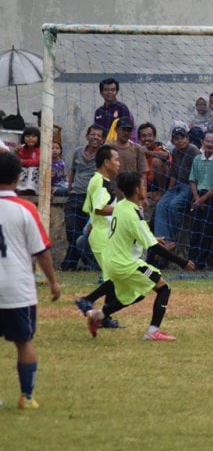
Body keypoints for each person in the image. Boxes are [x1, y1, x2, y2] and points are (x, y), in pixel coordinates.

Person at [82, 171, 195, 340]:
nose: (145, 188)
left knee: (137, 293)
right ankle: (153, 332)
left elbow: (133, 233)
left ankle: (97, 316)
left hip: (113, 262)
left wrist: (152, 236)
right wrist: (182, 262)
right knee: (164, 288)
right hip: (126, 264)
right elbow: (154, 248)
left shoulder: (121, 206)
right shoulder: (133, 214)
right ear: (136, 189)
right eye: (143, 185)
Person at [0, 151, 61, 409]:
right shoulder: (26, 209)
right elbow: (41, 251)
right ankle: (26, 396)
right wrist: (53, 282)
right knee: (24, 341)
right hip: (17, 288)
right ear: (19, 176)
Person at [74, 145, 123, 328]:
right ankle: (87, 301)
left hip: (105, 232)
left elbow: (90, 208)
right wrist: (124, 208)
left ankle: (104, 317)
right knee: (115, 277)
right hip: (102, 235)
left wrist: (92, 223)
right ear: (106, 162)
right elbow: (99, 208)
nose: (119, 163)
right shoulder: (100, 182)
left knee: (113, 277)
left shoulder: (101, 181)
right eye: (116, 159)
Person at [62, 124, 104, 271]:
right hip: (75, 195)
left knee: (86, 233)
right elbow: (73, 171)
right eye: (93, 134)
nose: (95, 138)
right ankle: (73, 264)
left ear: (103, 140)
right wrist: (70, 187)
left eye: (99, 136)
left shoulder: (102, 156)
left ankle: (69, 265)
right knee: (72, 230)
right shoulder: (78, 152)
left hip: (91, 198)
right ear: (87, 136)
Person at [153, 127, 200, 243]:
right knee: (161, 204)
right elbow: (173, 174)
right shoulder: (174, 151)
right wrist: (168, 192)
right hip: (178, 184)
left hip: (190, 185)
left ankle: (172, 239)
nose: (179, 141)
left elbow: (198, 174)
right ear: (173, 141)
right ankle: (162, 240)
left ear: (187, 139)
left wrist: (196, 195)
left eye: (182, 138)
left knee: (174, 206)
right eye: (176, 138)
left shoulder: (193, 151)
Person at [188, 131, 213, 271]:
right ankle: (190, 261)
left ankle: (201, 263)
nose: (210, 144)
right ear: (202, 142)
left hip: (211, 198)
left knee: (207, 230)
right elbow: (192, 180)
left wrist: (202, 199)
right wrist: (197, 198)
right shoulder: (197, 159)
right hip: (197, 196)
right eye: (208, 141)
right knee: (195, 229)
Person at [94, 77, 135, 142]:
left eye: (112, 90)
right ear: (101, 92)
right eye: (106, 90)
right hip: (102, 146)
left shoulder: (122, 108)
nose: (109, 92)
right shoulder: (98, 111)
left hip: (117, 145)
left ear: (116, 92)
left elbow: (126, 130)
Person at [138, 122, 171, 201]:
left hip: (161, 180)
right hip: (146, 181)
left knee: (156, 161)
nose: (147, 138)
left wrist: (147, 152)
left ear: (154, 136)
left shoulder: (160, 145)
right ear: (139, 138)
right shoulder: (138, 149)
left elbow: (166, 155)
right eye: (144, 136)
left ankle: (161, 192)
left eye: (150, 135)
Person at [15, 127, 41, 194]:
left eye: (33, 136)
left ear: (38, 138)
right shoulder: (22, 149)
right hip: (24, 172)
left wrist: (23, 161)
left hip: (36, 174)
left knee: (32, 169)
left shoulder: (39, 150)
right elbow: (18, 161)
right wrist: (17, 153)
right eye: (27, 136)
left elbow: (37, 162)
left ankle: (31, 188)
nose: (30, 138)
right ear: (23, 138)